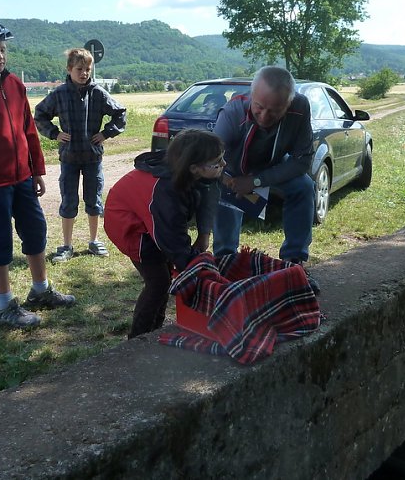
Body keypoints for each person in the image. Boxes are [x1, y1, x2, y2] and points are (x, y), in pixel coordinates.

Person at [0, 19, 75, 329]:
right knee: (0, 241)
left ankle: (40, 290)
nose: (0, 57)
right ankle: (4, 305)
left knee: (36, 231)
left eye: (3, 50)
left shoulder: (15, 85)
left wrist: (36, 170)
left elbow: (28, 130)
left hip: (22, 177)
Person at [103, 129, 223, 338]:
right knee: (158, 282)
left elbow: (208, 200)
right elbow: (171, 237)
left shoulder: (200, 174)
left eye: (222, 159)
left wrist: (203, 236)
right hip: (129, 224)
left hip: (150, 217)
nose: (224, 165)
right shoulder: (166, 192)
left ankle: (154, 329)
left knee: (166, 273)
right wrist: (195, 266)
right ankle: (138, 338)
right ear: (194, 168)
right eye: (217, 162)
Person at [213, 65, 315, 265]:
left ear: (289, 104)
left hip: (273, 166)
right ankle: (225, 260)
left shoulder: (300, 108)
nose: (265, 117)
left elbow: (302, 160)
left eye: (275, 111)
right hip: (232, 169)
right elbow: (211, 160)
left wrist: (255, 181)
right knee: (222, 193)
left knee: (304, 186)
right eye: (259, 107)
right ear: (252, 94)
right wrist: (229, 180)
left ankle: (294, 260)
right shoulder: (233, 112)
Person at [34, 47, 126, 263]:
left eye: (87, 69)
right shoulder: (59, 94)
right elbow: (40, 115)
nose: (84, 73)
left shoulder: (98, 93)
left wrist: (105, 133)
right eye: (79, 69)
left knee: (93, 200)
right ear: (69, 69)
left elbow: (120, 113)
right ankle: (66, 245)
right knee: (68, 200)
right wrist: (55, 133)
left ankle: (94, 241)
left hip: (93, 157)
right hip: (69, 158)